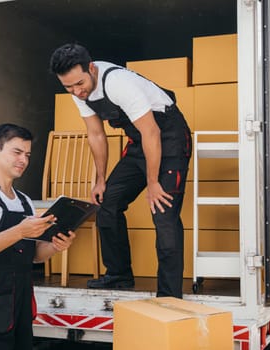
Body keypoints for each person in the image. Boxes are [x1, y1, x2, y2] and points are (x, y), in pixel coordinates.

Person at [49, 43, 192, 298]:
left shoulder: (118, 83)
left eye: (79, 83)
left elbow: (152, 131)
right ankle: (119, 276)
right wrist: (101, 180)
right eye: (68, 87)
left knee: (163, 213)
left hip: (169, 140)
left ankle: (169, 295)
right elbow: (95, 135)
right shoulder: (78, 91)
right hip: (139, 143)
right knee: (108, 202)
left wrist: (153, 181)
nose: (76, 91)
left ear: (91, 69)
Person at [0, 123, 76, 350]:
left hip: (19, 308)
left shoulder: (24, 201)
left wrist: (56, 246)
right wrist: (19, 230)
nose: (24, 160)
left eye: (27, 154)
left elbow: (33, 255)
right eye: (17, 152)